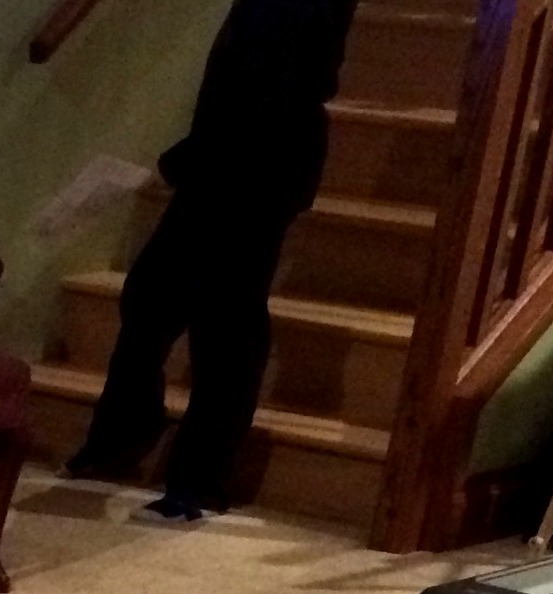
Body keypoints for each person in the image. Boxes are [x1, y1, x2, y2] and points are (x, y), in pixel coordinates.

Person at [65, 0, 364, 521]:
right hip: (235, 153)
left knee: (225, 320)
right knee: (155, 296)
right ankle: (131, 432)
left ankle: (198, 476)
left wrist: (184, 160)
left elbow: (272, 84)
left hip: (259, 161)